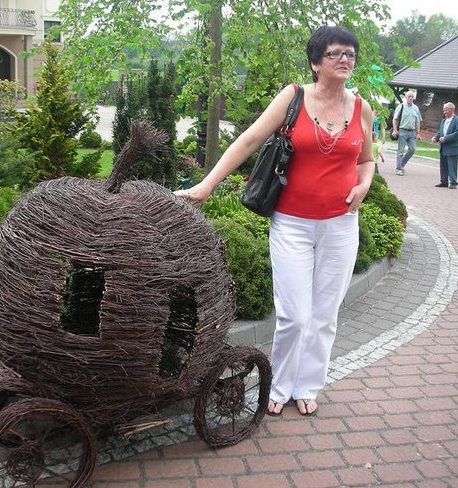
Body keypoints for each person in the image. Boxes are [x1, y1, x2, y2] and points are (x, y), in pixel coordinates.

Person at [175, 25, 374, 417]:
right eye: (335, 53)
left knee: (324, 316)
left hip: (340, 225)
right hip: (293, 224)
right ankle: (280, 385)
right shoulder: (294, 96)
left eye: (350, 53)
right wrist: (207, 185)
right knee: (295, 315)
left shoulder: (361, 108)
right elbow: (249, 140)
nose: (345, 59)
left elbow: (367, 159)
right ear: (316, 62)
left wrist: (364, 184)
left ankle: (308, 385)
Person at [432, 102, 458, 189]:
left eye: (446, 110)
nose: (444, 112)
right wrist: (435, 137)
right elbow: (440, 132)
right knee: (443, 165)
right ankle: (444, 181)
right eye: (443, 110)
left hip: (452, 148)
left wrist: (446, 138)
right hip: (443, 147)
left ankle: (453, 182)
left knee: (452, 166)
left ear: (452, 110)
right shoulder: (444, 120)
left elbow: (457, 134)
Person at [391, 91, 422, 176]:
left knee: (412, 149)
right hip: (402, 131)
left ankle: (401, 164)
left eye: (412, 97)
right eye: (409, 96)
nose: (411, 98)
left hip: (412, 132)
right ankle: (398, 169)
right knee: (400, 151)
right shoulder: (401, 106)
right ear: (405, 97)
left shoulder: (416, 108)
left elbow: (417, 122)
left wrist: (418, 133)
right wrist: (395, 130)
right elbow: (395, 119)